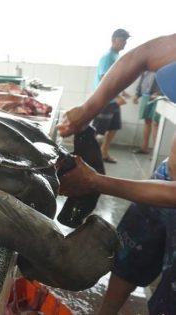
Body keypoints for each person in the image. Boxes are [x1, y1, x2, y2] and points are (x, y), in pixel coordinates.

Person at [57, 33, 176, 315]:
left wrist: (97, 182)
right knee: (128, 256)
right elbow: (140, 56)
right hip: (165, 177)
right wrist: (89, 109)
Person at [91, 28, 130, 164]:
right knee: (96, 130)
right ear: (113, 40)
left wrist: (122, 91)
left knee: (114, 127)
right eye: (122, 40)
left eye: (126, 41)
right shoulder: (108, 56)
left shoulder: (116, 56)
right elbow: (104, 79)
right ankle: (86, 156)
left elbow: (115, 78)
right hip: (105, 99)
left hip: (112, 99)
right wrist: (117, 95)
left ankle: (103, 152)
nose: (124, 43)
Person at [132, 71, 161, 154]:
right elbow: (142, 78)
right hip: (146, 95)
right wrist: (137, 94)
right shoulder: (148, 63)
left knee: (156, 123)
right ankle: (144, 147)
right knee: (147, 121)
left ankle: (156, 153)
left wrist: (160, 93)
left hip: (159, 97)